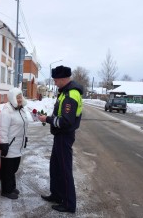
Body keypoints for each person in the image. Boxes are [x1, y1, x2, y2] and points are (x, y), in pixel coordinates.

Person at [38, 65, 83, 213]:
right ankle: (57, 195)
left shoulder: (71, 95)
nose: (55, 83)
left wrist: (48, 119)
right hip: (59, 136)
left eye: (56, 80)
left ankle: (69, 204)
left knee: (64, 170)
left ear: (63, 79)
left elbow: (66, 121)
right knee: (55, 167)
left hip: (64, 136)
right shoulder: (64, 92)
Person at [0, 88, 28, 200]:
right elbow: (2, 129)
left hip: (18, 146)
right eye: (17, 97)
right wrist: (3, 144)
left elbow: (25, 125)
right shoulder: (6, 112)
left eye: (21, 96)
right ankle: (6, 190)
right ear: (12, 98)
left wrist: (26, 138)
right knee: (7, 169)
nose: (20, 99)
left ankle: (12, 187)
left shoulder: (21, 110)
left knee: (14, 168)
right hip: (10, 146)